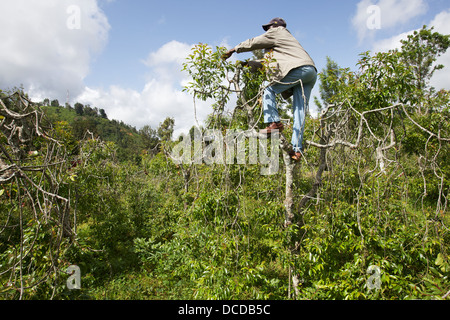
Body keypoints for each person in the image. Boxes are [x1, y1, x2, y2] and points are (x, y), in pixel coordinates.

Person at [223, 18, 317, 162]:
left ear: (275, 26)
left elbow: (254, 42)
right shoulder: (285, 43)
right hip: (310, 72)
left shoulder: (278, 31)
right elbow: (268, 63)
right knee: (299, 112)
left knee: (267, 88)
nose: (267, 32)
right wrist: (248, 64)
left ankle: (274, 123)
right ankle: (297, 151)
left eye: (268, 29)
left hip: (299, 69)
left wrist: (235, 49)